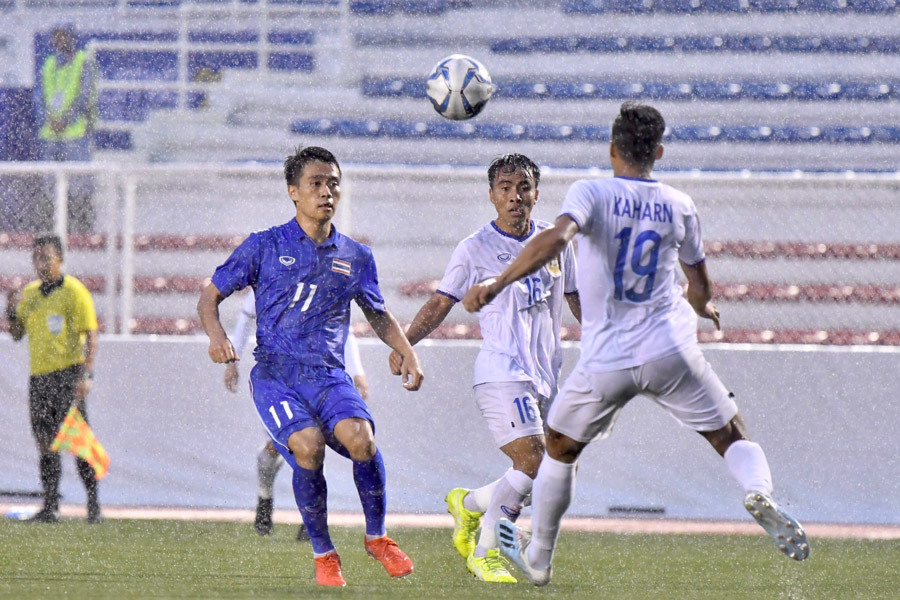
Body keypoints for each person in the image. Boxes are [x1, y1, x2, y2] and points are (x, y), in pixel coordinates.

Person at [463, 102, 810, 586]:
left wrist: (498, 283)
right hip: (671, 348)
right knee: (730, 433)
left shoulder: (592, 193)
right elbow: (700, 285)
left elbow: (554, 240)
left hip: (609, 356)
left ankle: (539, 557)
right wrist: (700, 306)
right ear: (659, 152)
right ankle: (758, 490)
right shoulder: (679, 204)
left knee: (559, 449)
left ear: (612, 149)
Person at [198, 146, 424, 587]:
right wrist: (217, 337)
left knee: (362, 440)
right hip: (276, 376)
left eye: (333, 183)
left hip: (328, 374)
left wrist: (407, 350)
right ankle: (324, 554)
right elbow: (210, 297)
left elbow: (376, 312)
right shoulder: (265, 244)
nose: (327, 192)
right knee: (308, 445)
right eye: (316, 184)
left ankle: (377, 538)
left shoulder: (356, 255)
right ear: (293, 193)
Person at [389, 154, 580, 583]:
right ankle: (486, 552)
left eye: (524, 187)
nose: (516, 196)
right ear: (492, 194)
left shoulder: (557, 242)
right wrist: (405, 344)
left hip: (545, 373)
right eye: (506, 187)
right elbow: (442, 301)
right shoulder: (474, 248)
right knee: (532, 459)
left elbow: (574, 296)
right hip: (500, 369)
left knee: (549, 470)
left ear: (536, 193)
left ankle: (470, 503)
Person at [223, 289, 370, 540]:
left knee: (311, 445)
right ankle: (265, 499)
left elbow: (341, 328)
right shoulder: (270, 278)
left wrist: (357, 371)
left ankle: (310, 518)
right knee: (280, 447)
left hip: (317, 379)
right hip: (277, 381)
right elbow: (246, 318)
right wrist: (232, 361)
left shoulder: (322, 279)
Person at [6, 233, 102, 524]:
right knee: (44, 441)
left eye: (46, 257)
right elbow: (16, 334)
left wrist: (86, 374)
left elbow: (91, 335)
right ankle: (50, 507)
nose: (41, 263)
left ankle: (94, 506)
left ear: (60, 259)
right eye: (36, 258)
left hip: (67, 375)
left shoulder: (74, 291)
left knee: (78, 441)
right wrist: (10, 308)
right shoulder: (31, 293)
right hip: (39, 378)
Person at [33, 24, 98, 233]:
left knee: (79, 185)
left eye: (63, 36)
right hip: (51, 134)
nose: (60, 40)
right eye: (56, 36)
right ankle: (50, 229)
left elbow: (84, 97)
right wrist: (48, 119)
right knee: (50, 185)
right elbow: (39, 97)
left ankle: (81, 230)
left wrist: (65, 120)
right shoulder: (49, 64)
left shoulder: (83, 62)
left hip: (75, 134)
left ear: (72, 38)